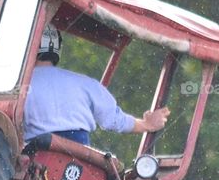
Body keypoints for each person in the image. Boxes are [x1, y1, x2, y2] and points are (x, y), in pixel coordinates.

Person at [23, 25, 170, 146]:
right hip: (79, 161)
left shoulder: (15, 87)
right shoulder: (85, 83)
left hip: (35, 158)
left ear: (28, 48)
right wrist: (147, 124)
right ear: (57, 51)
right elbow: (114, 120)